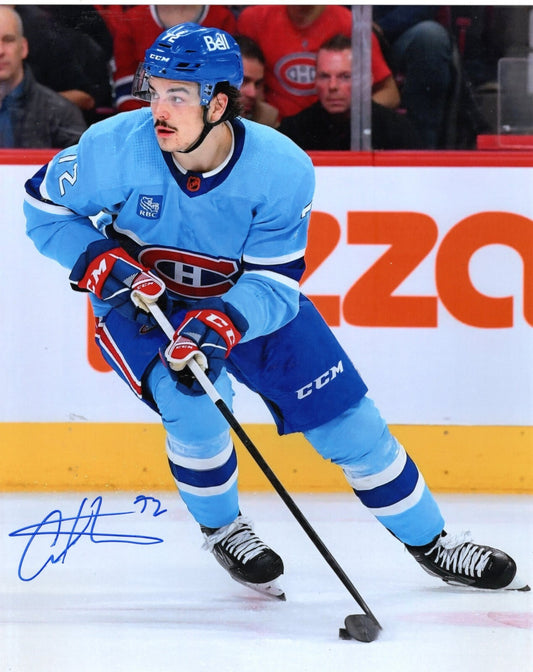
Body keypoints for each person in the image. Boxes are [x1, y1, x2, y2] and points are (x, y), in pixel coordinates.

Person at [24, 23, 528, 599]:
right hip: (146, 303)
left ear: (218, 104)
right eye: (153, 91)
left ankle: (434, 543)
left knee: (351, 424)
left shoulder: (281, 168)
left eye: (177, 96)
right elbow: (42, 207)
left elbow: (272, 282)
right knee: (195, 404)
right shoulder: (113, 146)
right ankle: (224, 529)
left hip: (246, 303)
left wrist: (224, 322)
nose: (157, 109)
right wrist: (96, 258)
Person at [237, 5, 400, 120]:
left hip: (333, 132)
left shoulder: (350, 23)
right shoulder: (253, 19)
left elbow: (390, 93)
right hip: (275, 130)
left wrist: (349, 115)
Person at [278, 34, 422, 150]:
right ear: (315, 80)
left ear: (367, 81)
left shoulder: (398, 131)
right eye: (324, 76)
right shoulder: (292, 133)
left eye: (345, 77)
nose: (332, 86)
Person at [113, 5, 237, 112]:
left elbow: (225, 89)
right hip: (146, 119)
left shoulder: (222, 19)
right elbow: (126, 93)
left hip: (204, 121)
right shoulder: (133, 20)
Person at [0, 6, 86, 148]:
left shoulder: (62, 114)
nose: (0, 51)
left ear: (23, 48)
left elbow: (80, 160)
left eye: (8, 40)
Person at [372, 6, 454, 148]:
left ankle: (422, 149)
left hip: (395, 36)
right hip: (347, 31)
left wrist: (380, 28)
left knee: (430, 37)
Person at [234, 34, 279, 128]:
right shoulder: (201, 114)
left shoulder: (266, 118)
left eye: (257, 84)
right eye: (243, 81)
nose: (252, 93)